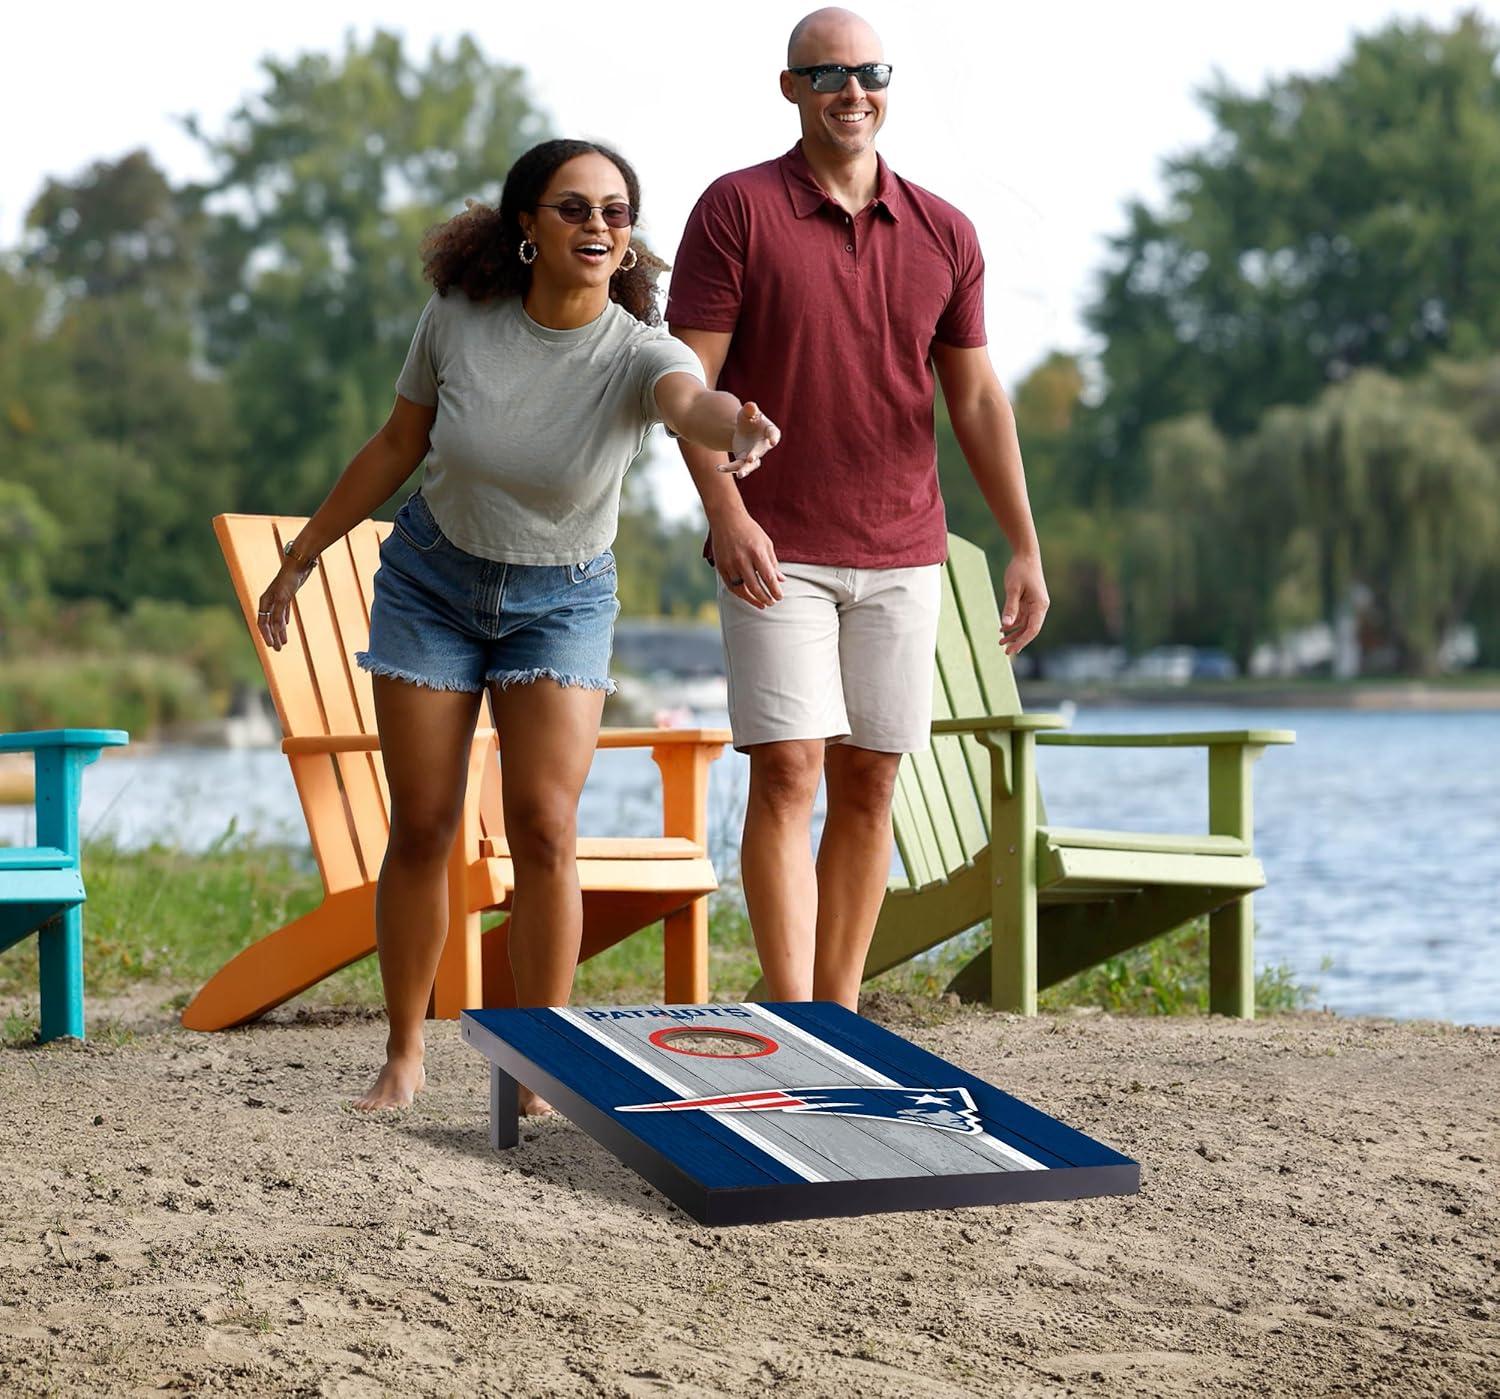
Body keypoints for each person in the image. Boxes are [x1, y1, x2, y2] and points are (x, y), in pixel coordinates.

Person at [256, 139, 780, 1111]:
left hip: (563, 600)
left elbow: (689, 404)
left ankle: (540, 1062)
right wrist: (304, 553)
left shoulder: (640, 350)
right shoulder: (459, 318)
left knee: (545, 827)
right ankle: (404, 1052)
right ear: (528, 226)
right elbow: (397, 443)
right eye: (574, 207)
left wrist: (735, 428)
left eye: (615, 211)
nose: (597, 225)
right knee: (424, 822)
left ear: (629, 239)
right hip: (432, 585)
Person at [667, 8, 1048, 1009]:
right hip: (775, 546)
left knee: (871, 780)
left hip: (904, 548)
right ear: (789, 88)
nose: (852, 91)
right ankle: (794, 1011)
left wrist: (1022, 544)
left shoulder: (944, 231)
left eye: (870, 72)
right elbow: (683, 386)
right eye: (828, 74)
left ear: (888, 86)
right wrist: (727, 514)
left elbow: (976, 399)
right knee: (789, 770)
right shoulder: (736, 209)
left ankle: (834, 1012)